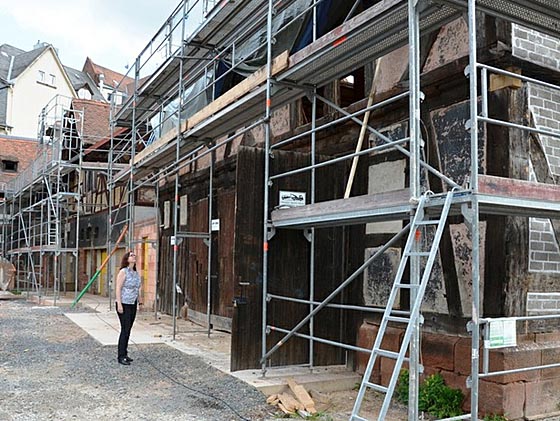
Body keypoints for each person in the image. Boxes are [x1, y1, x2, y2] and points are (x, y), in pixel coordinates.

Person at [115, 251, 141, 365]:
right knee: (124, 329)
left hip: (132, 303)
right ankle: (121, 356)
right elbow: (118, 288)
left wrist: (139, 301)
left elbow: (137, 288)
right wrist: (119, 303)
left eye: (134, 255)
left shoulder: (135, 273)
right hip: (124, 303)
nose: (134, 256)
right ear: (126, 259)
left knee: (128, 329)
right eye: (131, 255)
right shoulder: (123, 272)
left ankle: (125, 353)